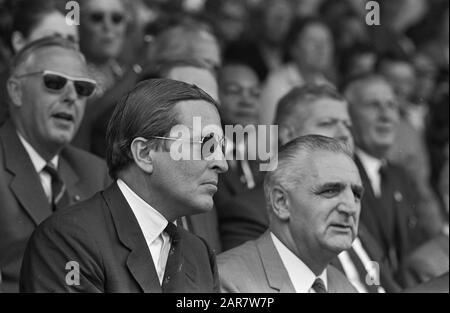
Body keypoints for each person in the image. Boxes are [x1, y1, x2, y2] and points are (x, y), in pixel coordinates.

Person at [20, 78, 229, 293]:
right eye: (206, 145)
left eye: (221, 148)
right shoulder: (68, 240)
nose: (221, 164)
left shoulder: (199, 254)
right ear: (145, 154)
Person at [219, 84, 401, 292]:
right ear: (280, 201)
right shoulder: (247, 218)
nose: (344, 134)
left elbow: (381, 282)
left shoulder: (343, 282)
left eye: (347, 125)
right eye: (327, 123)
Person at [0, 36, 110, 293]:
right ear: (16, 90)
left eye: (83, 88)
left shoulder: (97, 173)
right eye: (54, 83)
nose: (71, 96)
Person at [218, 135, 360, 293]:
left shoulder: (346, 288)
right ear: (281, 202)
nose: (351, 207)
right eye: (330, 190)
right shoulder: (228, 282)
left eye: (356, 195)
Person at [345, 74, 427, 275]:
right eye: (373, 105)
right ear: (349, 117)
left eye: (391, 105)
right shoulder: (341, 176)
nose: (385, 115)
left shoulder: (402, 177)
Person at [0, 0, 79, 126]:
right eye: (53, 39)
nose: (64, 49)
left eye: (71, 41)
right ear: (19, 42)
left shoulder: (79, 98)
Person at [259, 17, 334, 125]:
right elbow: (268, 135)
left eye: (327, 41)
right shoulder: (276, 84)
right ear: (294, 47)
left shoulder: (329, 87)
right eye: (312, 40)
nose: (322, 47)